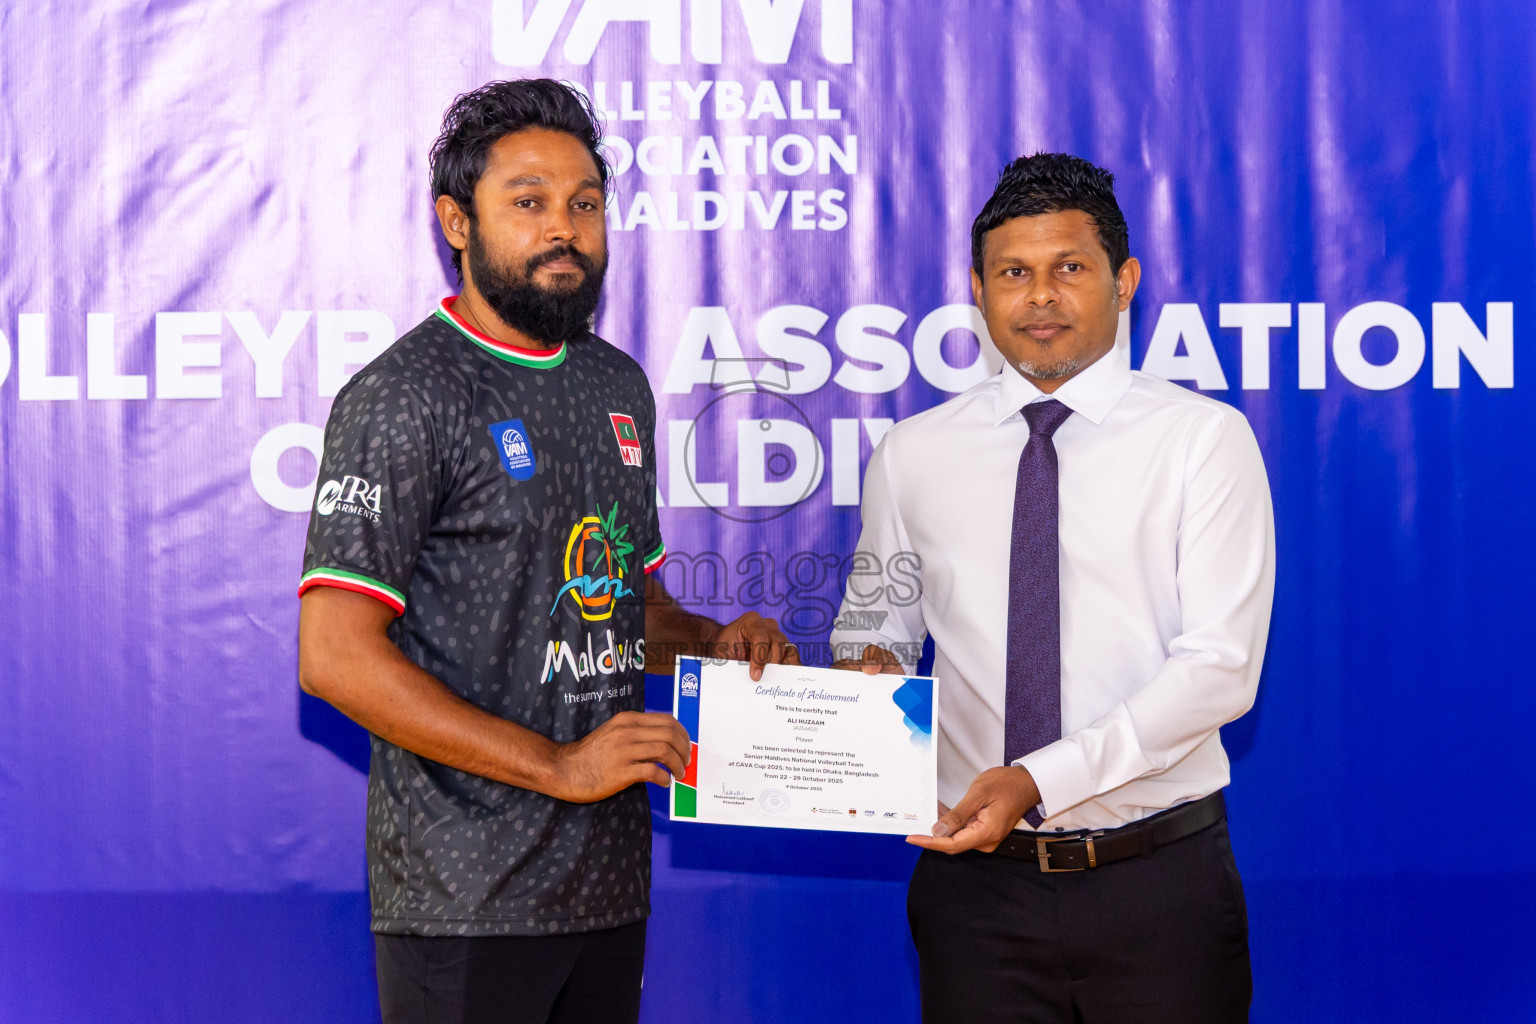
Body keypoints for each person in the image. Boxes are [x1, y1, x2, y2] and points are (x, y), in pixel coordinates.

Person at [297, 79, 796, 1024]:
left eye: (585, 204)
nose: (563, 228)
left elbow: (622, 602)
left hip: (607, 886)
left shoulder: (616, 383)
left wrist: (712, 645)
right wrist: (559, 766)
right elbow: (333, 658)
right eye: (528, 203)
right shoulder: (405, 395)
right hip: (465, 897)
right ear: (456, 220)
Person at [830, 153, 1275, 1022]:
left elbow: (1221, 668)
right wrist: (866, 676)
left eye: (1069, 268)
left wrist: (1036, 778)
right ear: (978, 288)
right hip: (974, 899)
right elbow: (873, 628)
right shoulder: (912, 454)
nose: (1040, 296)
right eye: (1014, 273)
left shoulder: (1202, 442)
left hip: (1158, 890)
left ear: (1124, 281)